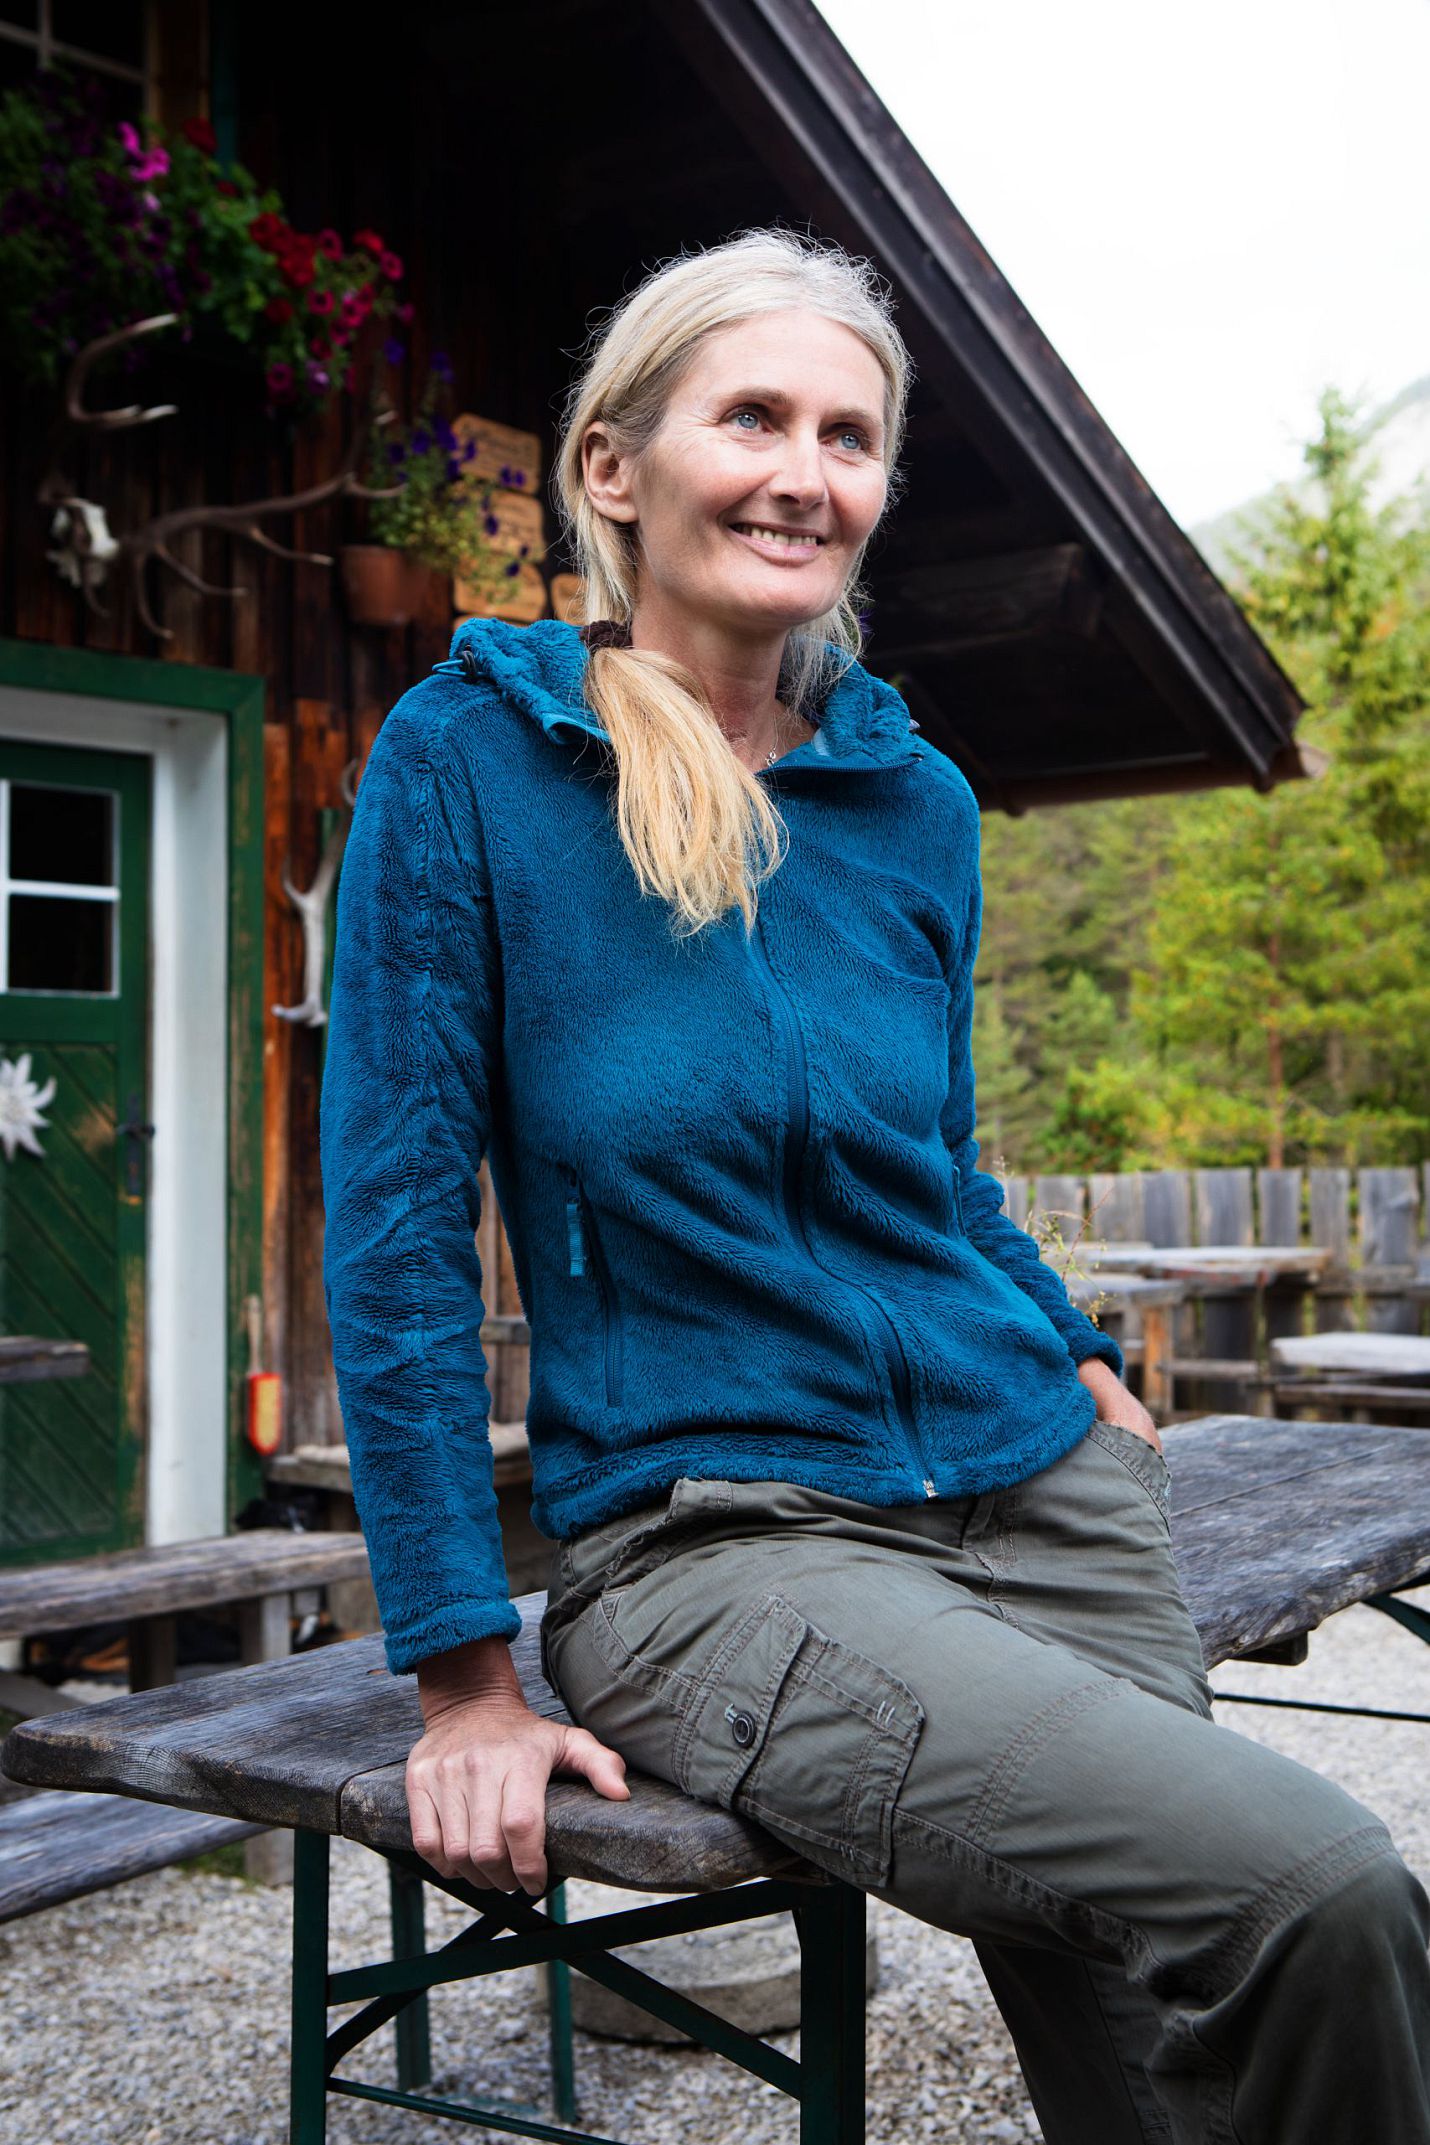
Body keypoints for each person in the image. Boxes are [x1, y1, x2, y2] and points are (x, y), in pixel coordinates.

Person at [319, 228, 1430, 2143]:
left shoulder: (909, 798)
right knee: (1320, 1892)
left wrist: (1060, 1340)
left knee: (1159, 2020)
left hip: (1038, 1480)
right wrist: (460, 1683)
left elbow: (931, 1160)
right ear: (616, 468)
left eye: (847, 434)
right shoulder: (472, 762)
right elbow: (400, 1235)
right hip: (723, 1539)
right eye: (750, 414)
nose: (801, 470)